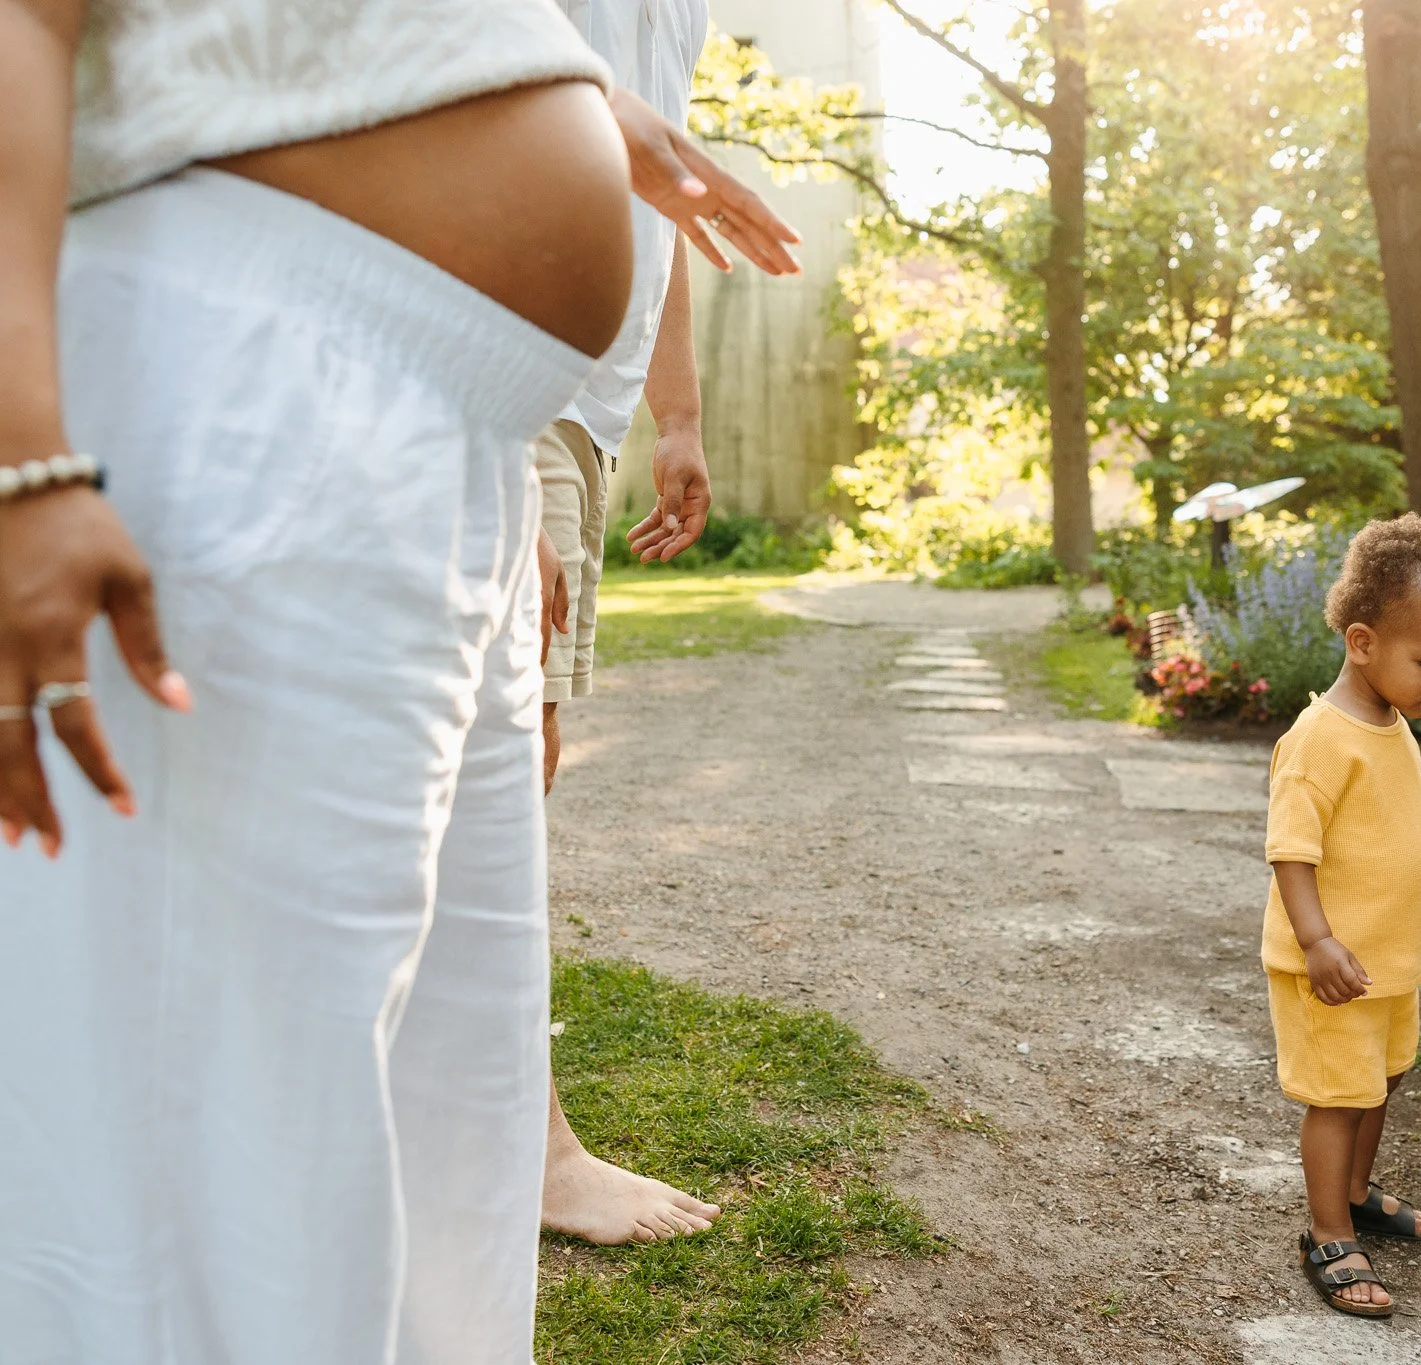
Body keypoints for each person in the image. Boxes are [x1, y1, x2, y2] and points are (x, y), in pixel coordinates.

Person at [0, 0, 796, 1357]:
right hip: (252, 387)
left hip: (455, 450)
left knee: (450, 1142)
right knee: (232, 1171)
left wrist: (567, 103)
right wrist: (13, 463)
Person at [532, 0, 752, 1247]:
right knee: (493, 771)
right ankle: (531, 1149)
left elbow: (652, 184)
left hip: (585, 406)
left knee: (520, 760)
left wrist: (675, 414)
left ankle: (462, 1111)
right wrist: (486, 433)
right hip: (517, 374)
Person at [1261, 514, 1421, 1318]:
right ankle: (1327, 1232)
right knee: (1338, 1094)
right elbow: (1291, 851)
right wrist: (1317, 940)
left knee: (1381, 1078)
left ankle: (1354, 1192)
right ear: (1362, 642)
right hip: (1332, 965)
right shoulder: (1320, 738)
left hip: (1386, 962)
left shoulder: (1392, 723)